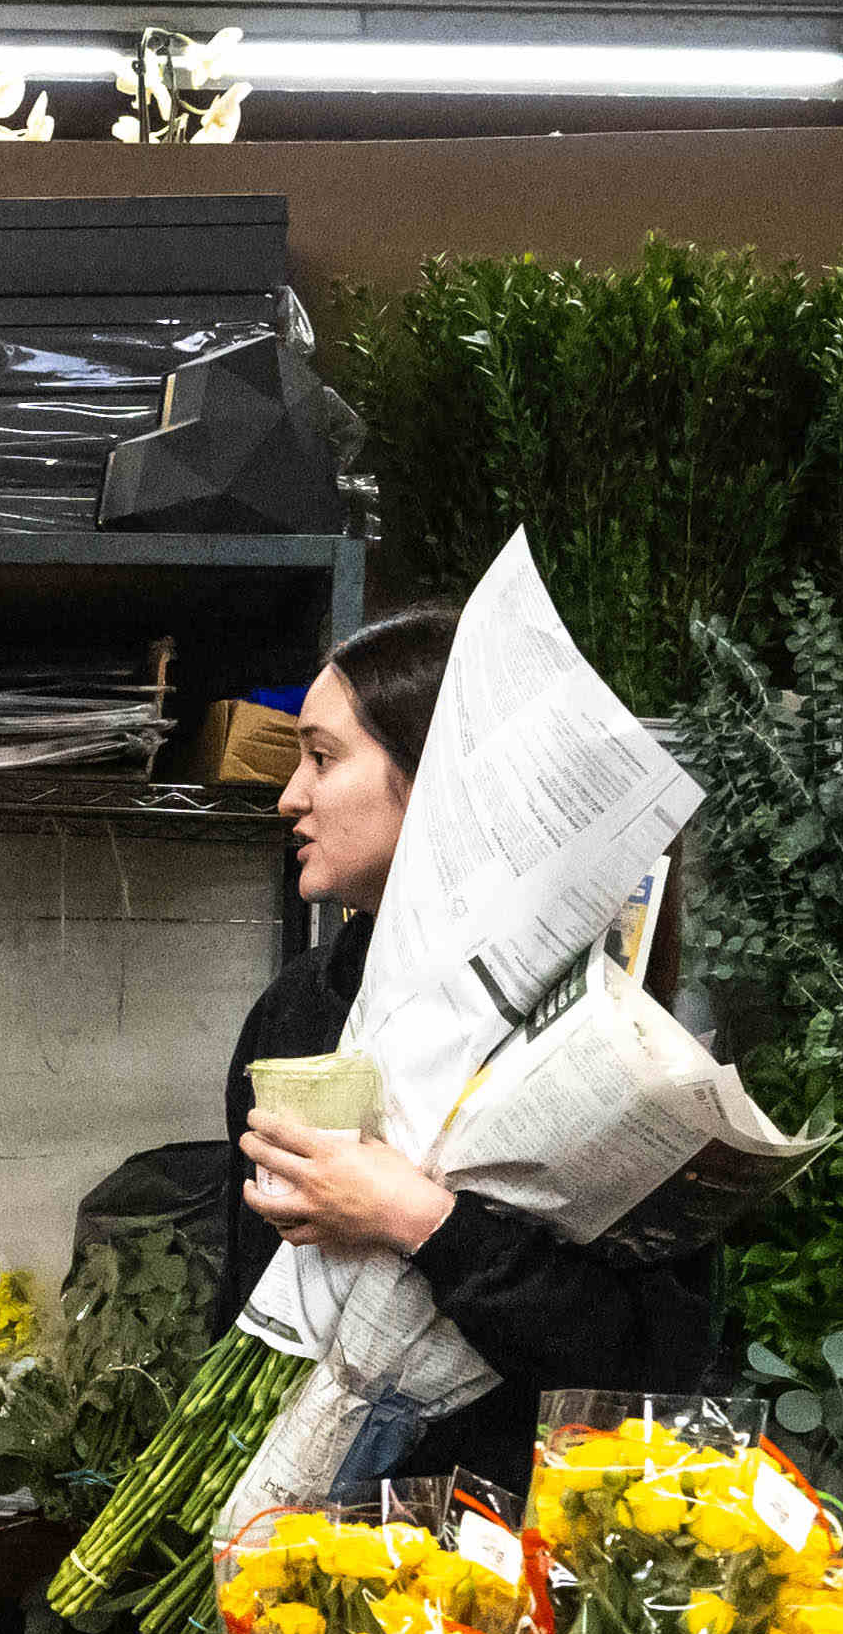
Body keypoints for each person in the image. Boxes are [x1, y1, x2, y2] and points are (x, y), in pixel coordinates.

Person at [213, 602, 716, 1508]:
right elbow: (242, 1306)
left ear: (442, 781)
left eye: (322, 757)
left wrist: (420, 1222)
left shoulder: (605, 1046)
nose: (289, 794)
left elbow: (649, 1368)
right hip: (285, 1537)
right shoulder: (299, 1010)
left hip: (496, 1573)